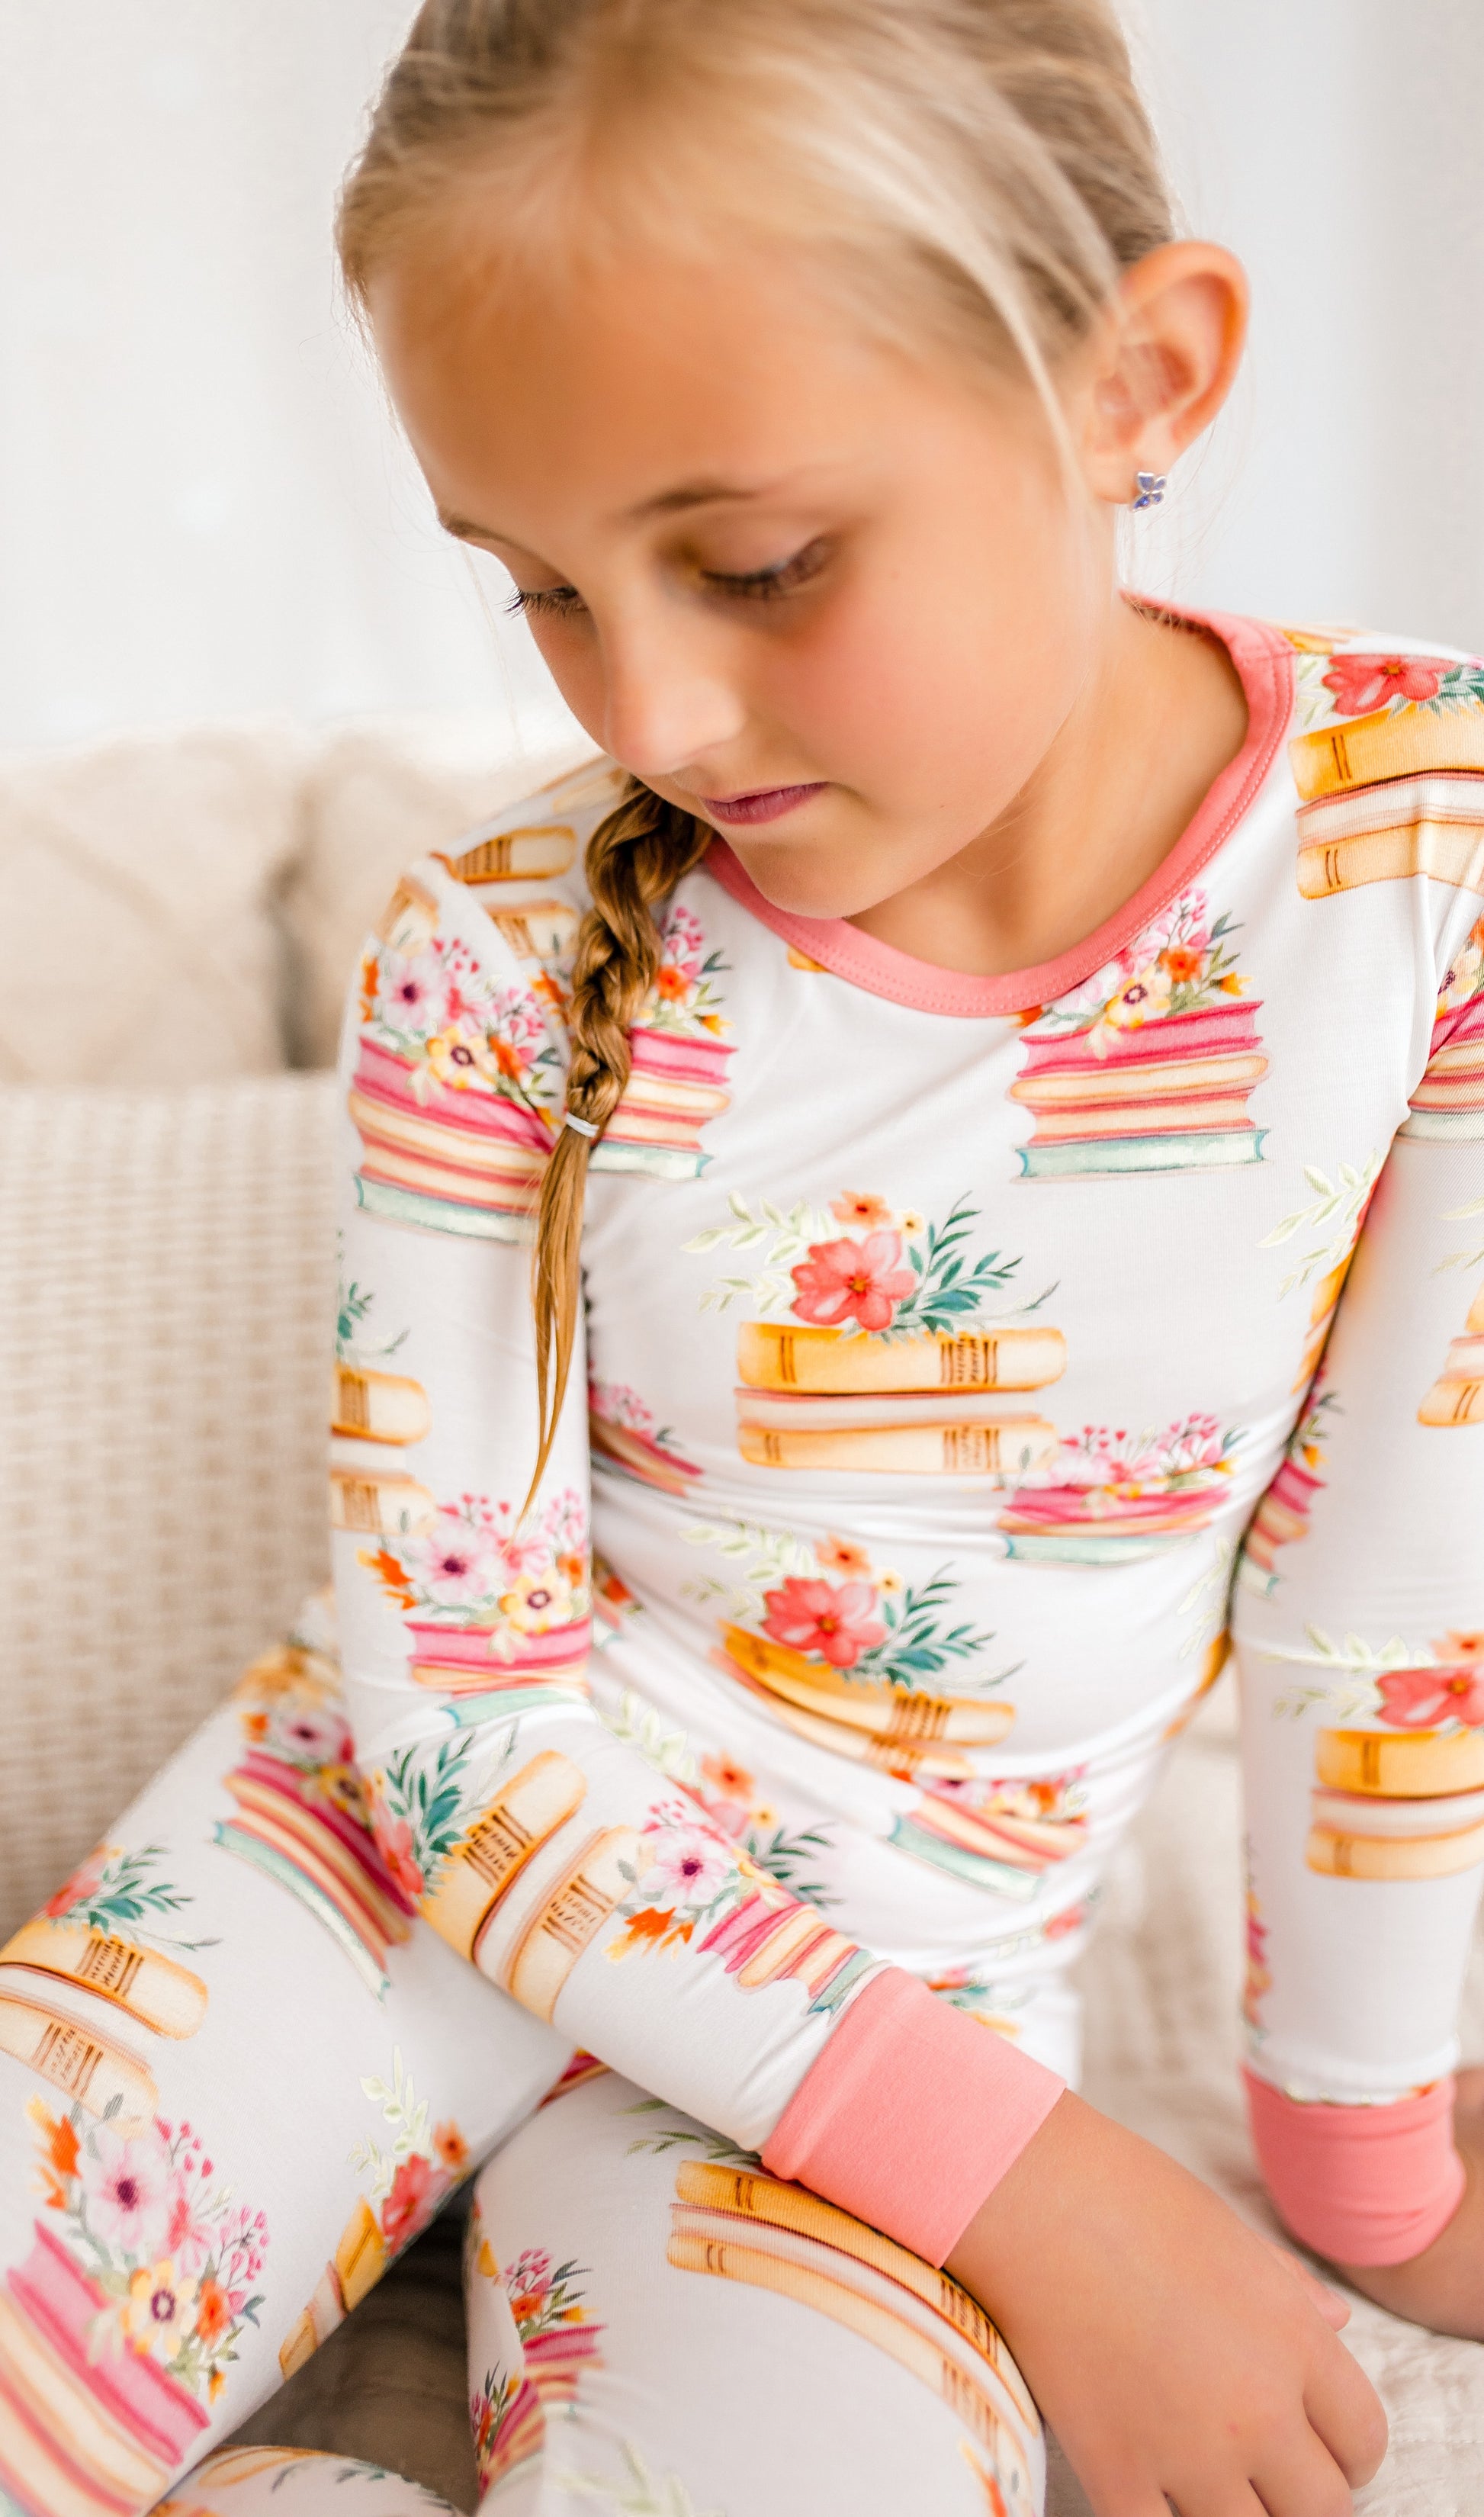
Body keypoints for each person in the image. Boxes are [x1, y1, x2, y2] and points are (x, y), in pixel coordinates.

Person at [3, 2, 1481, 2511]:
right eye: (539, 590)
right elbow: (461, 1734)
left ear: (1133, 378)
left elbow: (1392, 1586)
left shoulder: (1419, 865)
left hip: (906, 1970)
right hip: (379, 1865)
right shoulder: (494, 952)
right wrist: (1043, 2188)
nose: (655, 711)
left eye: (758, 564)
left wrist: (1362, 2153)